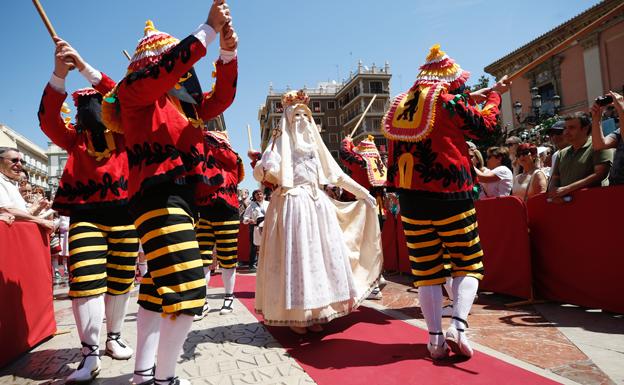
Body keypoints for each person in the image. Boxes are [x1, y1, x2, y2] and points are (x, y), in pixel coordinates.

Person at [100, 4, 236, 384]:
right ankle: (165, 378)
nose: (183, 73)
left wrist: (227, 52)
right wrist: (207, 30)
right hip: (158, 194)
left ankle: (145, 374)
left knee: (157, 292)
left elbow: (221, 100)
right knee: (189, 286)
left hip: (179, 197)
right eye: (175, 64)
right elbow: (170, 67)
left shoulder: (181, 105)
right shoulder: (133, 91)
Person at [382, 44, 509, 360]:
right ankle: (459, 327)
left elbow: (440, 114)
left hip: (411, 200)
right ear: (450, 82)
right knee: (468, 262)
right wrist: (494, 97)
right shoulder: (448, 102)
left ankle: (435, 340)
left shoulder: (399, 104)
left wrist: (472, 97)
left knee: (427, 271)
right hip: (451, 194)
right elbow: (485, 126)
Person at [38, 37, 140, 383]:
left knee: (122, 279)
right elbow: (48, 117)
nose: (95, 111)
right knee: (85, 282)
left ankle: (114, 337)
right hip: (85, 215)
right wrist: (58, 74)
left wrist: (83, 66)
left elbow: (122, 94)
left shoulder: (127, 133)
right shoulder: (74, 140)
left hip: (125, 214)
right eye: (88, 107)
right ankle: (90, 353)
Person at [253, 89, 383, 334]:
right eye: (297, 116)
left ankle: (317, 310)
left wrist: (363, 193)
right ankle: (297, 314)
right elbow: (262, 174)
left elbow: (337, 175)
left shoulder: (316, 148)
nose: (302, 120)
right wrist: (263, 165)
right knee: (298, 259)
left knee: (319, 260)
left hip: (317, 205)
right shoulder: (279, 145)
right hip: (292, 206)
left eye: (306, 115)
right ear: (289, 119)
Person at [195, 129, 243, 319]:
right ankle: (203, 301)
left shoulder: (231, 156)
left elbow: (226, 155)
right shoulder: (202, 159)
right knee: (202, 259)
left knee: (227, 258)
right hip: (205, 211)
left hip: (226, 212)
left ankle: (229, 297)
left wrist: (204, 138)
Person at [339, 134, 387, 299]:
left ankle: (373, 284)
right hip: (380, 210)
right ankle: (378, 277)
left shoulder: (362, 163)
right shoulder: (379, 164)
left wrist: (347, 141)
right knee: (376, 245)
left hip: (364, 211)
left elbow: (345, 155)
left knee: (364, 248)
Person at [548, 112, 612, 203]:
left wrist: (566, 189)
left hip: (594, 204)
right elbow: (555, 178)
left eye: (571, 128)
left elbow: (600, 174)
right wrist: (553, 192)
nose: (566, 132)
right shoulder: (561, 154)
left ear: (585, 129)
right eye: (565, 128)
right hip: (567, 206)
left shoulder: (598, 146)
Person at [0, 147, 54, 231]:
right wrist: (40, 221)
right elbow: (6, 211)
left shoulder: (12, 183)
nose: (20, 165)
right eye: (14, 160)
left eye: (21, 161)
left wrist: (37, 208)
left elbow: (22, 215)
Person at [591, 91, 624, 185]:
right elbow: (599, 145)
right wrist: (596, 118)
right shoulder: (620, 130)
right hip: (615, 188)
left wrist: (622, 110)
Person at [242, 189, 268, 272]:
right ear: (254, 196)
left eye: (260, 194)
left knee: (267, 245)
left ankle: (267, 264)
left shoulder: (269, 204)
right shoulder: (251, 206)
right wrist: (250, 220)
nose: (259, 195)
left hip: (267, 226)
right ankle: (252, 264)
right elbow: (245, 218)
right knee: (254, 246)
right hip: (255, 227)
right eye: (257, 194)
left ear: (263, 195)